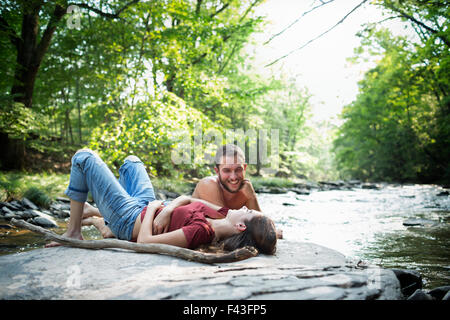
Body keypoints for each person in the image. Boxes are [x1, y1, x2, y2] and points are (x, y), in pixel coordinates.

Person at [46, 149, 277, 254]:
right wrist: (169, 209)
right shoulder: (223, 213)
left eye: (248, 212)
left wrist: (157, 208)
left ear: (241, 226)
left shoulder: (201, 231)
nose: (246, 207)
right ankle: (99, 214)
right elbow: (187, 198)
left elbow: (145, 242)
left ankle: (75, 231)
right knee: (132, 161)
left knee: (84, 157)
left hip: (129, 219)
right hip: (146, 205)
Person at [193, 144, 283, 239]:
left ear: (244, 168)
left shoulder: (245, 189)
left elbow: (261, 224)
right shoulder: (208, 184)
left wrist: (251, 196)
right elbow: (226, 226)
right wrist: (267, 234)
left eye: (238, 169)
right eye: (227, 170)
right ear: (217, 171)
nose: (233, 177)